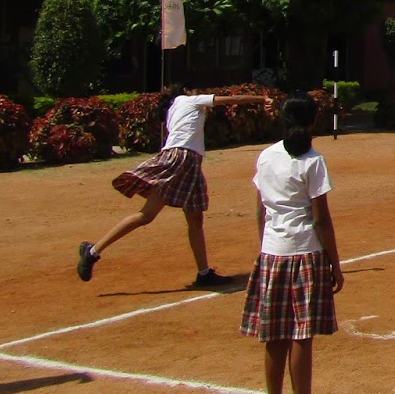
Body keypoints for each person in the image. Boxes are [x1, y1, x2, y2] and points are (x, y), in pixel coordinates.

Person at [78, 85, 272, 286]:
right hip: (182, 159)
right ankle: (92, 251)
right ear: (186, 91)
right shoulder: (189, 101)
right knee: (153, 215)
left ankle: (204, 273)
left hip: (187, 162)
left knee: (188, 217)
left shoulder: (174, 110)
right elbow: (233, 99)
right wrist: (262, 98)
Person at [240, 94, 344, 394]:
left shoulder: (266, 156)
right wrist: (335, 263)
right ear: (312, 121)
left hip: (272, 252)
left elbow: (260, 211)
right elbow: (321, 219)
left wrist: (264, 248)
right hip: (304, 252)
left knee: (274, 333)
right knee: (301, 333)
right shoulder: (312, 161)